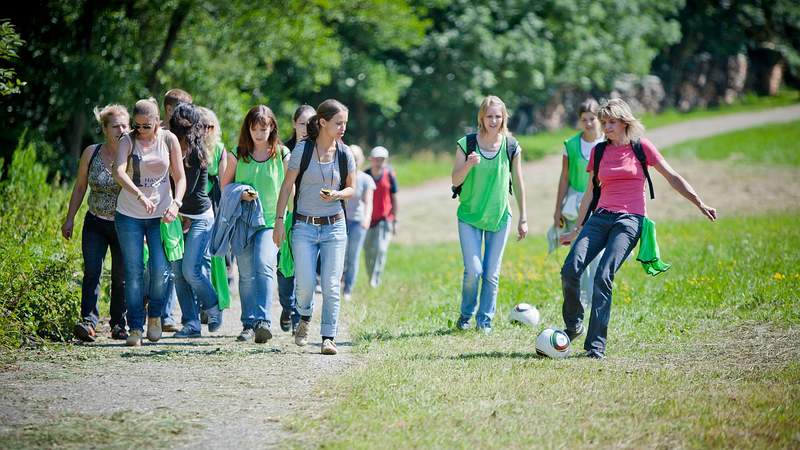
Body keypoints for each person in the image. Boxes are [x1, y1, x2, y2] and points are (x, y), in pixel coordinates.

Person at [559, 98, 717, 359]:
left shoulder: (642, 148)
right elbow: (589, 193)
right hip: (599, 218)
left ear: (624, 122)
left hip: (629, 220)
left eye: (611, 122)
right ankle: (574, 324)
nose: (606, 127)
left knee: (603, 276)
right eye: (604, 122)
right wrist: (577, 228)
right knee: (570, 269)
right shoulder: (599, 152)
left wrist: (699, 203)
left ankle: (595, 347)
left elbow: (673, 177)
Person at [273, 99, 356, 355]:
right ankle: (305, 317)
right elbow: (287, 187)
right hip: (304, 227)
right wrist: (278, 223)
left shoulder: (345, 153)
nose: (343, 128)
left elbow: (352, 189)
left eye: (345, 123)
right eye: (338, 123)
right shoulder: (303, 150)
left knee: (331, 285)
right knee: (306, 283)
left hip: (334, 227)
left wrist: (338, 194)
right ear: (322, 122)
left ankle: (328, 337)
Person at [451, 95, 528, 333]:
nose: (493, 120)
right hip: (470, 215)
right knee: (474, 271)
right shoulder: (467, 143)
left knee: (492, 274)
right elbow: (454, 180)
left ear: (504, 117)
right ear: (481, 118)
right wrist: (468, 164)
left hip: (499, 217)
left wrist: (523, 217)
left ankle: (485, 322)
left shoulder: (511, 146)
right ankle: (466, 317)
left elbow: (518, 181)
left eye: (498, 116)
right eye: (489, 116)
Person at [113, 98, 186, 347]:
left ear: (157, 122)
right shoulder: (127, 140)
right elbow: (119, 171)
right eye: (138, 125)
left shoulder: (169, 140)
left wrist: (176, 203)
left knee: (160, 270)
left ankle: (155, 315)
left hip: (161, 216)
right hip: (130, 214)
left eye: (147, 125)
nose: (141, 130)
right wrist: (139, 193)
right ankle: (135, 326)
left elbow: (180, 176)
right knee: (133, 272)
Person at [220, 105, 289, 344]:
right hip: (243, 222)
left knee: (264, 264)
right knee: (246, 274)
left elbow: (290, 188)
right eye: (254, 129)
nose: (259, 134)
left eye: (264, 128)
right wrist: (241, 193)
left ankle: (263, 321)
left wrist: (285, 221)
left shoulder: (281, 154)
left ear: (272, 128)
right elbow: (224, 187)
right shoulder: (236, 154)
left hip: (271, 221)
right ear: (247, 129)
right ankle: (248, 324)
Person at [62, 104, 130, 341]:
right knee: (92, 271)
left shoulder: (133, 154)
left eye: (124, 125)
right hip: (95, 222)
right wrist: (70, 218)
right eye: (115, 126)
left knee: (121, 275)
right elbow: (80, 186)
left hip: (124, 224)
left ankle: (119, 325)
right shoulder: (92, 153)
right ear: (104, 128)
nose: (121, 129)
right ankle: (88, 322)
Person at [168, 103, 222, 338]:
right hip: (175, 215)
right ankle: (191, 324)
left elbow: (188, 190)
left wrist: (179, 212)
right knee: (178, 272)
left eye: (185, 128)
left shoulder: (198, 153)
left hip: (199, 216)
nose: (181, 133)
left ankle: (212, 305)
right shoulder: (166, 147)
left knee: (191, 270)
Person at [552, 99, 605, 310]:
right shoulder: (571, 145)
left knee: (598, 254)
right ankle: (581, 299)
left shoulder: (605, 144)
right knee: (578, 252)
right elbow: (564, 178)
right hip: (575, 204)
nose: (589, 123)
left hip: (601, 202)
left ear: (599, 119)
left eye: (592, 119)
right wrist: (557, 209)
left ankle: (596, 298)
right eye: (584, 119)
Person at [277, 104, 315, 334]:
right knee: (284, 268)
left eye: (310, 124)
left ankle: (298, 315)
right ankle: (287, 306)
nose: (305, 128)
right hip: (289, 214)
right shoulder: (283, 150)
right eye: (302, 123)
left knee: (305, 268)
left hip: (310, 217)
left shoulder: (320, 150)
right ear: (294, 124)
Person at [159, 88, 193, 332]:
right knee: (158, 264)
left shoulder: (190, 136)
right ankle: (160, 313)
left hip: (179, 208)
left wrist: (183, 208)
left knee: (176, 264)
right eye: (181, 108)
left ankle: (168, 315)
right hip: (155, 206)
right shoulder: (155, 134)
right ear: (169, 110)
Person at [342, 145, 375, 300]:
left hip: (357, 222)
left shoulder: (366, 179)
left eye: (356, 157)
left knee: (353, 256)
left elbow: (368, 202)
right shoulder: (342, 175)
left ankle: (348, 289)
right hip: (341, 220)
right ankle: (337, 283)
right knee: (341, 256)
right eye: (351, 157)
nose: (354, 160)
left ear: (361, 160)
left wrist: (366, 219)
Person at [363, 146, 398, 288]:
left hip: (384, 219)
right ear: (371, 159)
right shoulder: (365, 175)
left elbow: (394, 197)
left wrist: (395, 219)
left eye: (382, 159)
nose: (379, 162)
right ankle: (371, 275)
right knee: (368, 251)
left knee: (381, 249)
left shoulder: (389, 175)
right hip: (367, 220)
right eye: (376, 159)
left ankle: (375, 280)